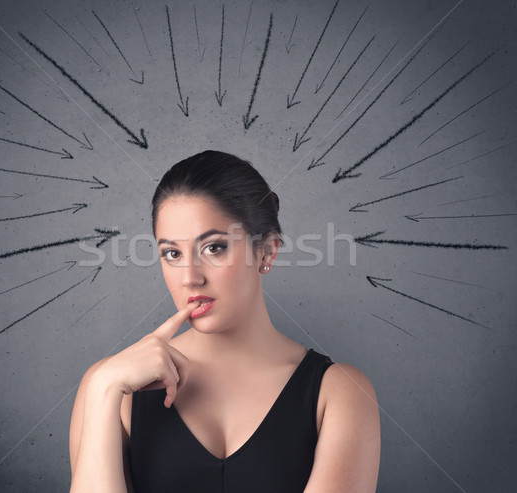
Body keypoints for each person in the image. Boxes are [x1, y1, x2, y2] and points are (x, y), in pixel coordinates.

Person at [69, 150, 380, 492]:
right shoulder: (111, 387)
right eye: (172, 253)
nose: (190, 277)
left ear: (267, 251)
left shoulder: (339, 392)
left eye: (214, 248)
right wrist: (103, 388)